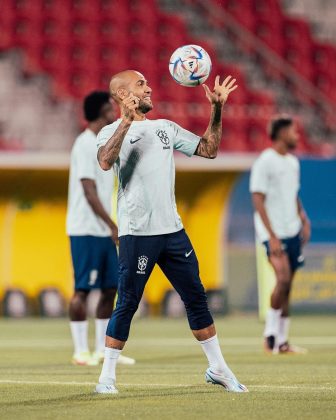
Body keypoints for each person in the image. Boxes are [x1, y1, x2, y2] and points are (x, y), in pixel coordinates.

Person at [94, 70, 248, 394]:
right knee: (129, 302)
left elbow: (208, 149)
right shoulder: (110, 131)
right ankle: (106, 377)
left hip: (173, 231)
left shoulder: (165, 128)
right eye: (140, 84)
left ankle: (218, 368)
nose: (149, 88)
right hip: (138, 234)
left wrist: (217, 109)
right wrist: (124, 122)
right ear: (123, 94)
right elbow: (105, 162)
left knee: (196, 297)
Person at [66, 91, 135, 366]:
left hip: (104, 230)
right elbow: (88, 190)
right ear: (101, 112)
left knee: (109, 289)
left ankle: (101, 350)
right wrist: (112, 224)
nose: (114, 111)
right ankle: (80, 350)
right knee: (82, 290)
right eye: (110, 108)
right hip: (86, 229)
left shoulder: (105, 142)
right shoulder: (84, 144)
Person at [250, 116, 311, 354]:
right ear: (282, 133)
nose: (297, 135)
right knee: (282, 278)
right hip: (272, 232)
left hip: (292, 229)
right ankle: (270, 336)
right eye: (293, 131)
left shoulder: (293, 163)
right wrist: (272, 235)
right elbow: (258, 197)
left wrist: (303, 219)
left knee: (288, 285)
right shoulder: (265, 161)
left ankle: (283, 342)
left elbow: (292, 194)